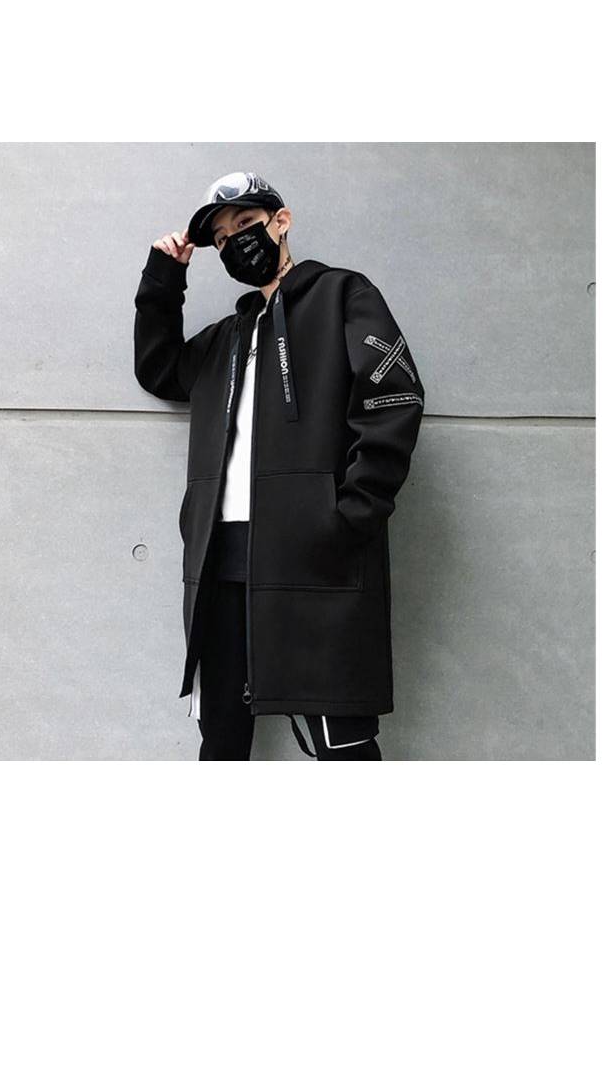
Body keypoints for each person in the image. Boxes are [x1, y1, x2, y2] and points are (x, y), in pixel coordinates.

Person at [133, 172, 426, 760]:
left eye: (244, 224)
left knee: (342, 743)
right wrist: (164, 278)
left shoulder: (344, 295)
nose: (234, 242)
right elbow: (159, 369)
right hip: (221, 563)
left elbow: (394, 399)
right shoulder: (225, 339)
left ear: (281, 221)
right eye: (222, 239)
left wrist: (347, 516)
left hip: (315, 556)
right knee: (221, 739)